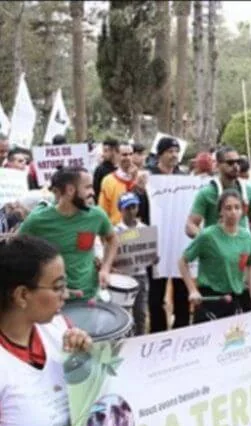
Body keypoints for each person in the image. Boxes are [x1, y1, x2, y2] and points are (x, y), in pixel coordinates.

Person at [0, 234, 93, 426]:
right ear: (22, 295)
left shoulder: (60, 330)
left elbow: (95, 405)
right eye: (57, 287)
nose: (66, 295)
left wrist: (87, 363)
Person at [18, 167, 119, 302]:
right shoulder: (38, 219)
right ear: (70, 190)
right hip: (53, 300)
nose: (93, 192)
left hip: (88, 295)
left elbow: (112, 239)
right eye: (88, 187)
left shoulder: (97, 215)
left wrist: (105, 268)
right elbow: (16, 249)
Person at [179, 190, 251, 323]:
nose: (233, 212)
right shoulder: (208, 236)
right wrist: (192, 290)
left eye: (237, 207)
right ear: (220, 211)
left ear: (242, 211)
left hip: (234, 300)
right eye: (228, 208)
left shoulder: (247, 237)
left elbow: (250, 264)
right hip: (210, 300)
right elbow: (182, 261)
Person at [146, 135, 189, 333]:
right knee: (156, 293)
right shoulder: (149, 177)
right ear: (160, 155)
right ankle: (158, 331)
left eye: (176, 151)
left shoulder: (184, 178)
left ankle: (181, 329)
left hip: (179, 241)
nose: (174, 155)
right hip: (157, 242)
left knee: (182, 290)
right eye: (170, 151)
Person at [186, 146, 251, 240]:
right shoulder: (206, 193)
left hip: (241, 246)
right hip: (215, 247)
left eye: (238, 162)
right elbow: (191, 225)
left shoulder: (248, 191)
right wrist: (207, 241)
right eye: (230, 163)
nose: (235, 166)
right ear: (217, 165)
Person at [114, 193, 150, 337]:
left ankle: (140, 338)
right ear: (121, 210)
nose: (131, 211)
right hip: (123, 277)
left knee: (140, 312)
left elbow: (150, 251)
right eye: (127, 208)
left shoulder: (144, 228)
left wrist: (152, 258)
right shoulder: (116, 231)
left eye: (133, 207)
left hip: (140, 275)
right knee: (123, 312)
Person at [98, 143, 138, 225]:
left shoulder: (140, 178)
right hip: (116, 228)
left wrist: (135, 180)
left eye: (131, 154)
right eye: (124, 155)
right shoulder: (108, 180)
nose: (128, 158)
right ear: (117, 155)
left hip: (139, 229)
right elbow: (103, 210)